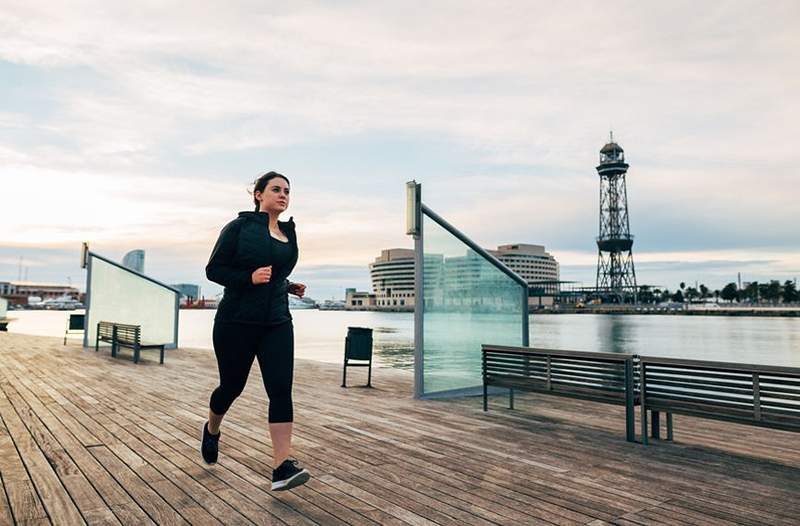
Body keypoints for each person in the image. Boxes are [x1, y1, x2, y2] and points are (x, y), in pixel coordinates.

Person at [201, 171, 310, 491]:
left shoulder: (288, 234)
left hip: (277, 321)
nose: (283, 195)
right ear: (259, 195)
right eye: (276, 189)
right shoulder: (238, 228)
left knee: (280, 389)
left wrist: (289, 286)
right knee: (231, 387)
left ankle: (281, 466)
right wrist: (248, 278)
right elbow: (214, 270)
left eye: (287, 191)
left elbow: (274, 275)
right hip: (236, 321)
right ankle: (212, 430)